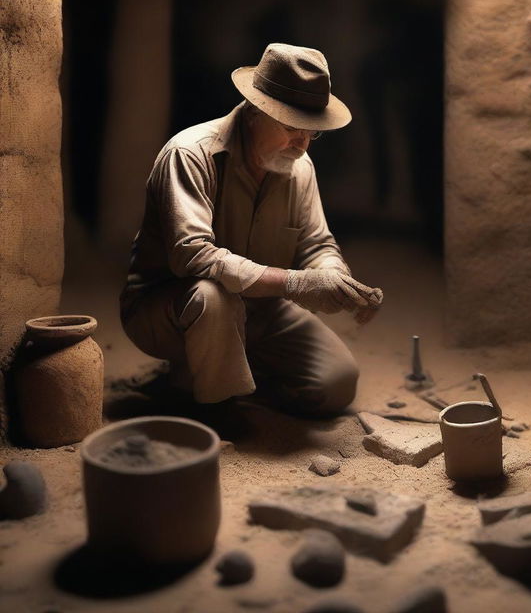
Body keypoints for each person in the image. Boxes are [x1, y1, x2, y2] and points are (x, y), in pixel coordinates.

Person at [120, 43, 383, 416]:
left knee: (336, 383)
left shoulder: (299, 164)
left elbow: (316, 242)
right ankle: (215, 408)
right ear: (257, 110)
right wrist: (295, 284)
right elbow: (191, 255)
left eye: (313, 132)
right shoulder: (191, 154)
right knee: (214, 297)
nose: (303, 143)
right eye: (293, 127)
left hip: (261, 308)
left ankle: (208, 373)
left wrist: (333, 278)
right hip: (171, 308)